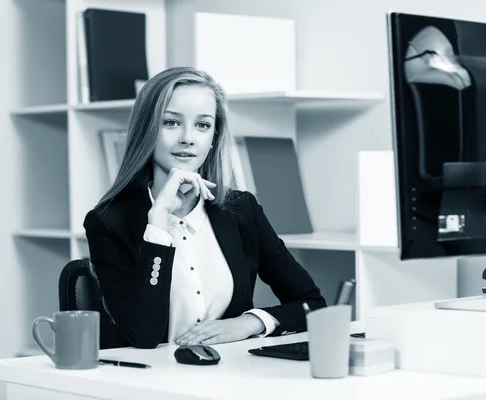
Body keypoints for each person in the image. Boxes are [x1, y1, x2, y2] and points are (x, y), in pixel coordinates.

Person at [83, 66, 326, 349]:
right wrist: (159, 226)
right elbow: (142, 335)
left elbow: (312, 304)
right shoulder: (108, 222)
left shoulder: (241, 210)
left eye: (202, 125)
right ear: (146, 130)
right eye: (171, 122)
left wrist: (249, 323)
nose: (188, 138)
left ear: (213, 138)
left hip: (234, 374)